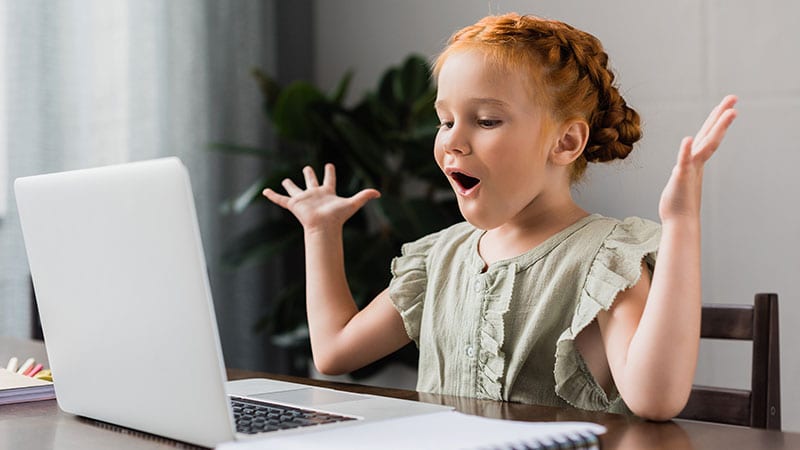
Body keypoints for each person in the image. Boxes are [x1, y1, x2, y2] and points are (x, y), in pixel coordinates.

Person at [263, 13, 737, 420]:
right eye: (445, 120)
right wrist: (321, 231)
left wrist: (680, 224)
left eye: (486, 121)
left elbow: (656, 400)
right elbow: (334, 352)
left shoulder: (606, 260)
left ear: (566, 142)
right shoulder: (439, 257)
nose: (452, 140)